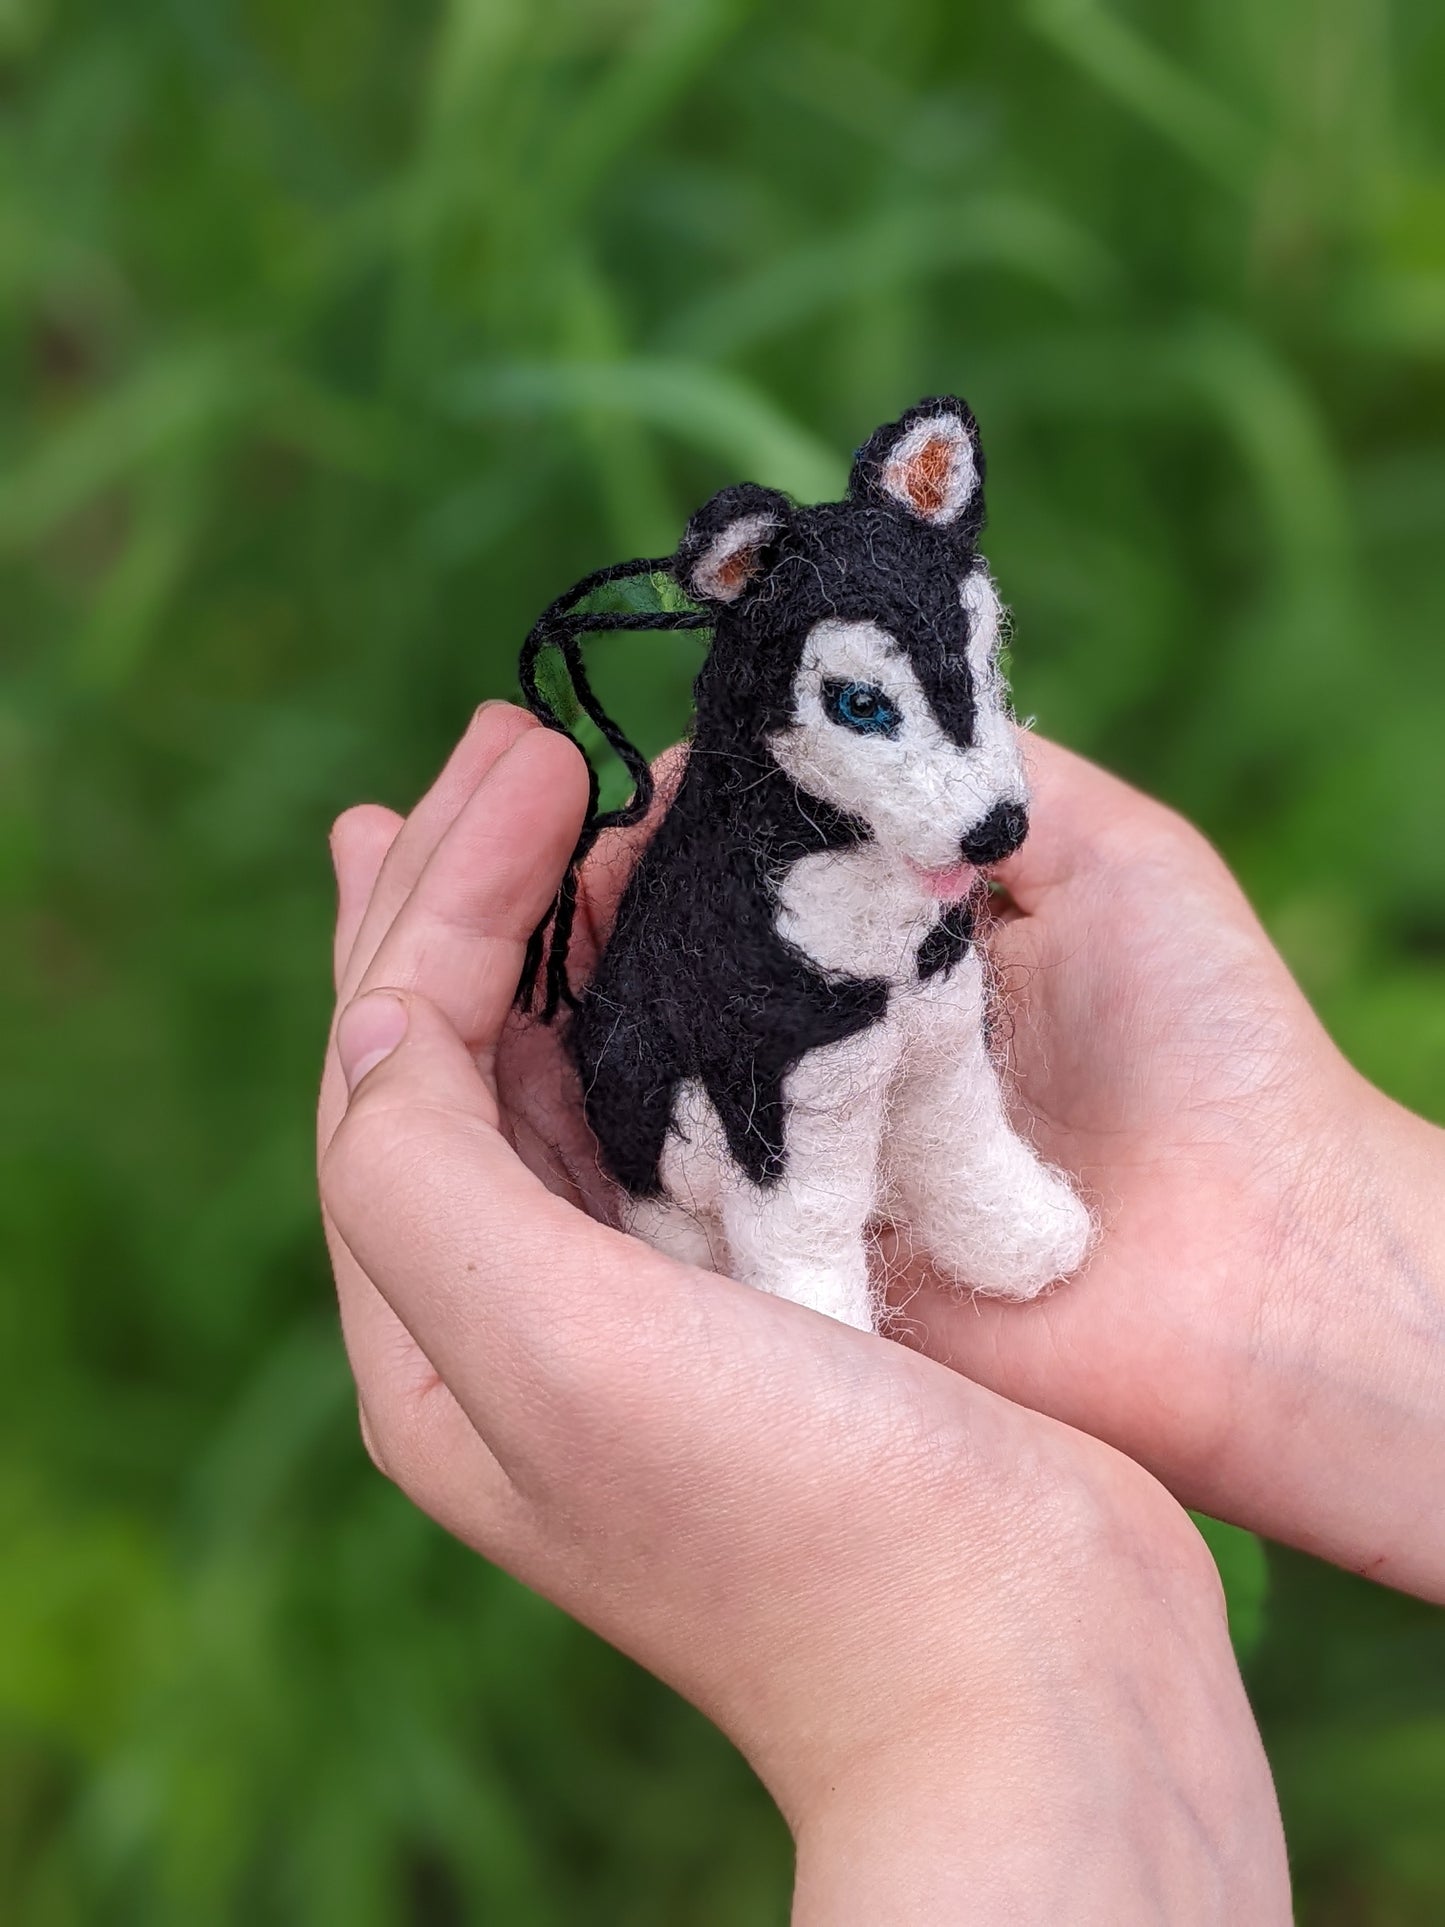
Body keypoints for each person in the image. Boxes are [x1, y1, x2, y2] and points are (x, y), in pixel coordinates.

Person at [317, 703, 1443, 1923]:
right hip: (737, 1108)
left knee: (939, 1088)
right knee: (793, 1157)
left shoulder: (926, 911)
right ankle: (799, 1258)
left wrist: (964, 1654)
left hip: (899, 1004)